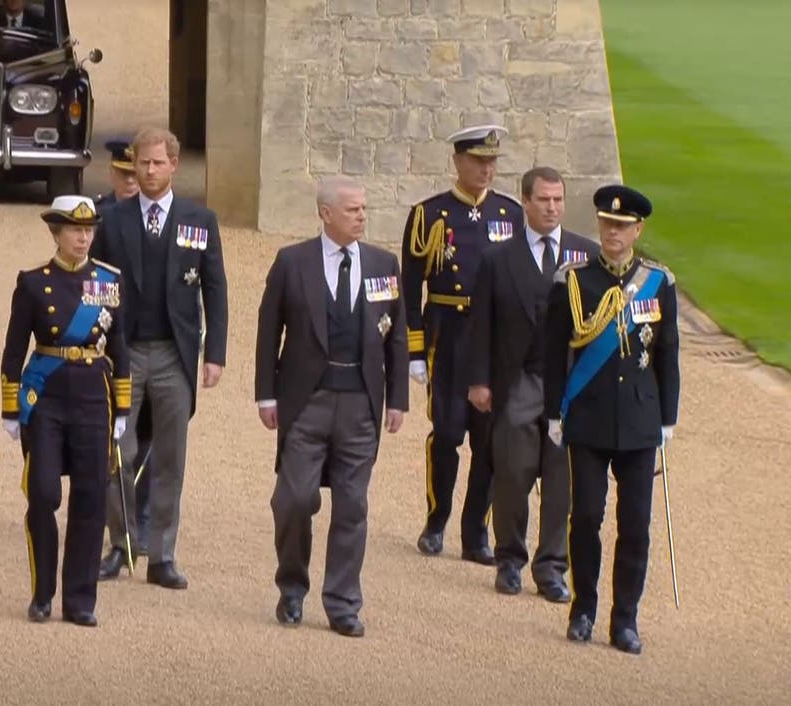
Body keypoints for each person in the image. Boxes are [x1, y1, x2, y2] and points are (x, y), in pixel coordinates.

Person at [255, 175, 409, 638]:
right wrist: (266, 394)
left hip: (361, 402)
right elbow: (269, 330)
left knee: (352, 505)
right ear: (325, 213)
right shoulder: (292, 262)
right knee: (294, 499)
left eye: (363, 209)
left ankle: (343, 602)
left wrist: (398, 399)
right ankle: (292, 587)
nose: (362, 216)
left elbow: (397, 336)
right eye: (352, 209)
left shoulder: (383, 264)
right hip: (307, 400)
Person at [91, 127, 229, 588]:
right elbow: (95, 284)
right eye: (142, 163)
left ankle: (162, 555)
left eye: (157, 163)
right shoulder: (112, 219)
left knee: (170, 457)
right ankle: (121, 544)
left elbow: (215, 288)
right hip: (124, 353)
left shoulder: (199, 220)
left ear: (174, 165)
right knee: (119, 451)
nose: (149, 171)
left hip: (175, 354)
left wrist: (215, 354)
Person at [545, 185, 679, 655]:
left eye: (621, 226)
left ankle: (625, 619)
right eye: (607, 224)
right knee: (585, 517)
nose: (612, 233)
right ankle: (583, 609)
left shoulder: (659, 283)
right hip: (589, 416)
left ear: (637, 230)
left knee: (635, 526)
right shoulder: (573, 281)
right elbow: (553, 352)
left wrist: (668, 419)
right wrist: (553, 413)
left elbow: (667, 354)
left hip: (640, 420)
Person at [466, 167, 597, 602]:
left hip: (569, 387)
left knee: (561, 481)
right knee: (513, 473)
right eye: (544, 199)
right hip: (519, 380)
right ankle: (509, 559)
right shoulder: (497, 258)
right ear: (525, 201)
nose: (552, 207)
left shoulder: (585, 255)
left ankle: (552, 568)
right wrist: (479, 381)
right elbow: (480, 325)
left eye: (558, 199)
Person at [0, 196, 130, 627]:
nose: (83, 237)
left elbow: (120, 348)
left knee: (91, 499)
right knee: (43, 494)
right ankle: (42, 593)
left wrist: (122, 407)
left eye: (89, 230)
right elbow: (14, 348)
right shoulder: (33, 283)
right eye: (75, 230)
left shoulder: (109, 281)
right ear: (57, 233)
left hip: (93, 397)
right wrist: (10, 407)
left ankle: (79, 600)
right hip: (48, 399)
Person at [400, 124, 523, 564]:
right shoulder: (430, 215)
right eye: (477, 161)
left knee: (488, 441)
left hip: (492, 341)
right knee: (448, 433)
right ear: (457, 161)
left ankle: (476, 533)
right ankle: (436, 521)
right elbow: (410, 288)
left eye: (491, 162)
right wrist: (415, 350)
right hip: (448, 334)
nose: (486, 170)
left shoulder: (510, 215)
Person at [93, 139, 152, 558]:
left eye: (138, 174)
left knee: (150, 439)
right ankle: (120, 527)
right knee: (117, 439)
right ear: (113, 173)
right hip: (118, 340)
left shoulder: (160, 216)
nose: (132, 181)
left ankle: (142, 517)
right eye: (125, 174)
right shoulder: (99, 218)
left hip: (156, 341)